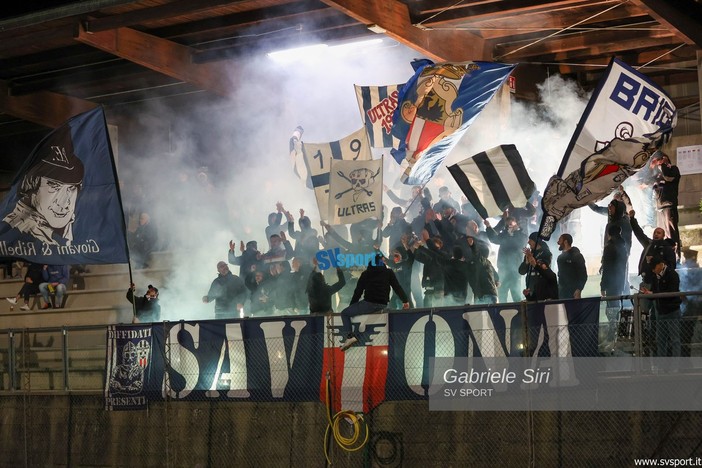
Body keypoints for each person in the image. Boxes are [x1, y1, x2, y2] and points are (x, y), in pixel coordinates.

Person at [2, 125, 85, 246]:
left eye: (71, 188)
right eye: (55, 187)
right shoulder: (15, 230)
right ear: (33, 188)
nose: (63, 203)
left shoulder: (72, 230)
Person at [339, 254, 409, 351]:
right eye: (384, 261)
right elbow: (397, 287)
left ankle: (350, 337)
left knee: (344, 313)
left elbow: (358, 292)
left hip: (368, 304)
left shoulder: (366, 274)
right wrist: (405, 301)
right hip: (383, 305)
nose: (385, 262)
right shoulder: (388, 272)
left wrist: (353, 306)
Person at [642, 256, 682, 358]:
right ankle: (662, 366)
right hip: (660, 312)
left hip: (672, 311)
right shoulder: (656, 276)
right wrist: (649, 294)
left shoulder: (672, 274)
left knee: (675, 340)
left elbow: (671, 292)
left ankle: (675, 367)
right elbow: (654, 292)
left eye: (654, 267)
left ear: (660, 264)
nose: (653, 270)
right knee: (661, 340)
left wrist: (653, 293)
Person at [485, 215, 528, 304]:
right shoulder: (504, 234)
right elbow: (494, 239)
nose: (509, 226)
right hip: (503, 269)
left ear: (516, 224)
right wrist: (489, 228)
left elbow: (518, 244)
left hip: (515, 270)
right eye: (508, 225)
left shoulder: (522, 235)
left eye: (511, 224)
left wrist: (514, 233)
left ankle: (520, 314)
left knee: (516, 295)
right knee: (502, 294)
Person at [599, 224, 628, 350]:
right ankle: (614, 338)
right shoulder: (622, 245)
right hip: (619, 282)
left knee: (611, 312)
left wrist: (603, 285)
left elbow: (608, 267)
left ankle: (611, 339)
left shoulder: (610, 246)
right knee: (615, 310)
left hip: (611, 283)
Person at [652, 153, 681, 261]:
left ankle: (676, 258)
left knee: (671, 233)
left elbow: (669, 177)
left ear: (665, 159)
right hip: (660, 207)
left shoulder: (673, 169)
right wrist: (651, 168)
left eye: (659, 160)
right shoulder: (659, 174)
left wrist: (663, 165)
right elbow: (652, 185)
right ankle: (664, 257)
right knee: (661, 233)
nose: (658, 163)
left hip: (669, 205)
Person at [518, 232, 555, 301]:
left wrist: (531, 259)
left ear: (536, 241)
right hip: (530, 289)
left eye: (530, 240)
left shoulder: (546, 253)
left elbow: (543, 268)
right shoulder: (530, 253)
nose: (528, 242)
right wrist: (526, 262)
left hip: (542, 288)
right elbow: (521, 271)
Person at [556, 233, 588, 299]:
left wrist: (579, 289)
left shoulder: (577, 256)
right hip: (562, 293)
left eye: (560, 240)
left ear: (565, 242)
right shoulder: (560, 258)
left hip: (573, 293)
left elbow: (583, 275)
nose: (558, 242)